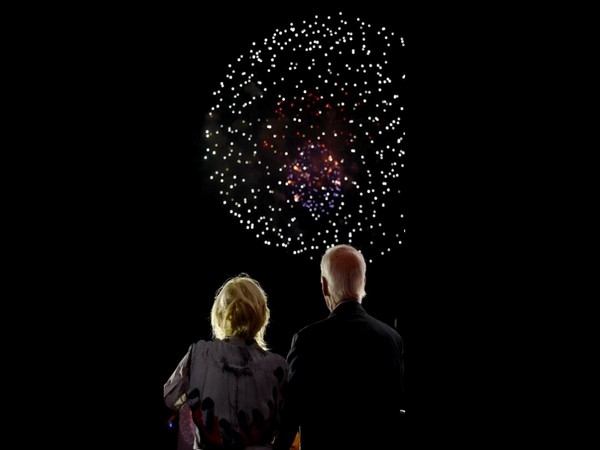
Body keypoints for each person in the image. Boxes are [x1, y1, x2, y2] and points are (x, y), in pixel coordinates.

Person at [272, 244, 405, 450]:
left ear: (324, 285)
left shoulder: (307, 340)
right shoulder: (392, 339)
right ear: (364, 282)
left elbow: (291, 413)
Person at [164, 274, 289, 450]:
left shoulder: (199, 354)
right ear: (261, 313)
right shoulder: (278, 366)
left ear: (219, 313)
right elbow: (286, 425)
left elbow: (170, 398)